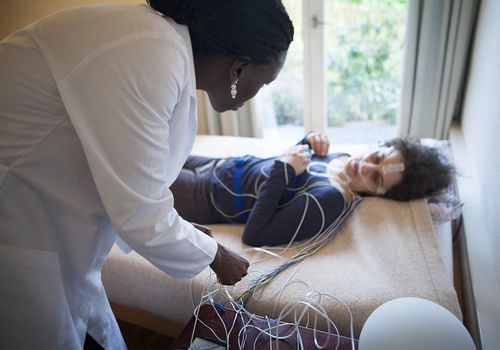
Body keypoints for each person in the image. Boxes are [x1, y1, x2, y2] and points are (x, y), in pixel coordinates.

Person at [0, 1, 293, 349]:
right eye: (261, 84)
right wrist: (215, 254)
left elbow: (134, 177)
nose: (255, 95)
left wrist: (180, 229)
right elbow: (140, 213)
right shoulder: (152, 52)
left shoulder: (163, 49)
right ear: (238, 69)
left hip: (43, 212)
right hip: (16, 214)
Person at [170, 132, 455, 247]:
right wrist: (307, 140)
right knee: (145, 152)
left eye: (377, 178)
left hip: (207, 196)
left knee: (134, 170)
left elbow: (255, 235)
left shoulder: (329, 201)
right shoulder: (341, 157)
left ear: (383, 196)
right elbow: (289, 174)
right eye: (378, 157)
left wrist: (284, 168)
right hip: (221, 165)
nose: (365, 166)